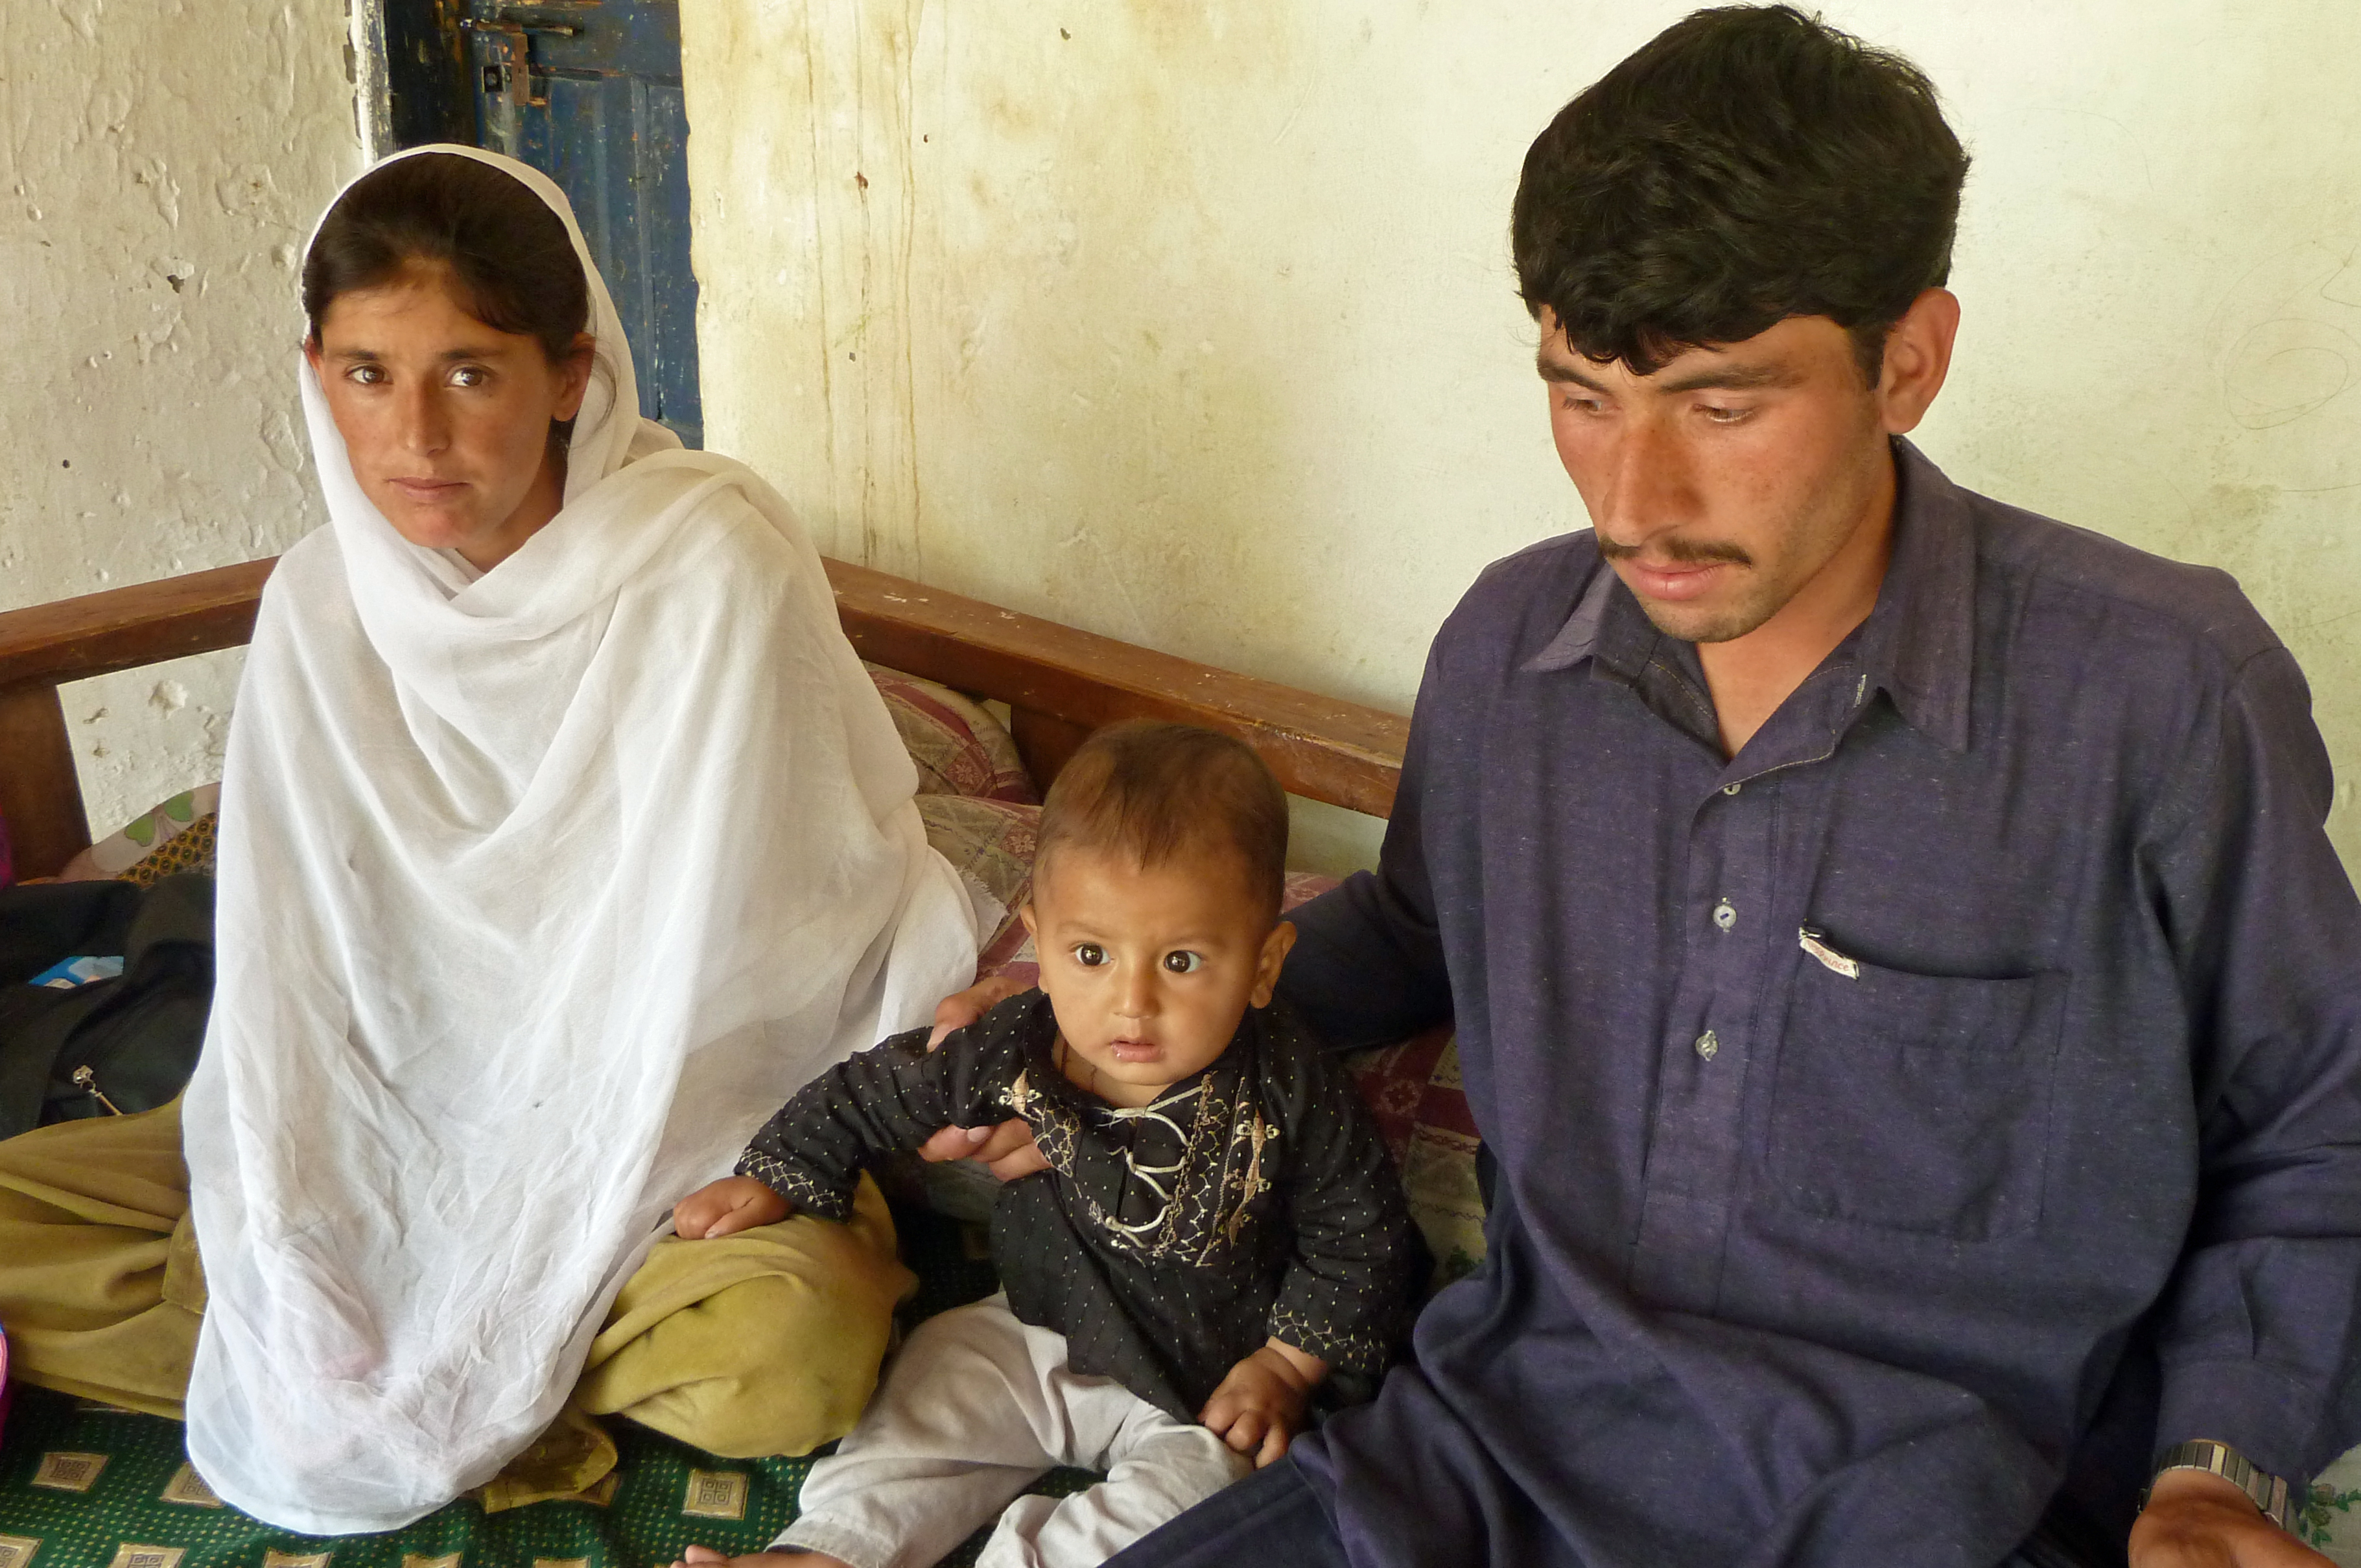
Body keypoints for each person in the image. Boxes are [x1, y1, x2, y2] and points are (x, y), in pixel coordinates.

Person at [931, 10, 2361, 1567]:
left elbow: (2316, 1116)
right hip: (1491, 1465)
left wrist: (2221, 1470)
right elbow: (1407, 935)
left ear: (1912, 361)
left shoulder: (2154, 697)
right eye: (1584, 396)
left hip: (1947, 1515)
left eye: (1723, 406)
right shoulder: (1511, 655)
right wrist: (1070, 1049)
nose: (1637, 502)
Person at [0, 146, 981, 1534]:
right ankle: (463, 1378)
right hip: (384, 1114)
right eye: (366, 374)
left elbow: (761, 963)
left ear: (570, 374)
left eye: (470, 371)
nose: (415, 437)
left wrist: (526, 1196)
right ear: (315, 371)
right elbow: (297, 982)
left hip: (671, 1130)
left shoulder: (707, 566)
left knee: (791, 1349)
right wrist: (323, 1189)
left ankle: (403, 1376)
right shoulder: (321, 609)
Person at [668, 721, 1420, 1568]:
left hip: (1208, 1383)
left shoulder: (1290, 1091)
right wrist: (783, 1170)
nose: (1130, 1002)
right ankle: (827, 1551)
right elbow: (882, 1087)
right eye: (1091, 954)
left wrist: (1287, 1366)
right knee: (937, 1376)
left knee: (1206, 1501)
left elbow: (1362, 1241)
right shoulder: (1015, 1046)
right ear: (1043, 941)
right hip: (1047, 1324)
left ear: (1263, 962)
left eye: (1180, 962)